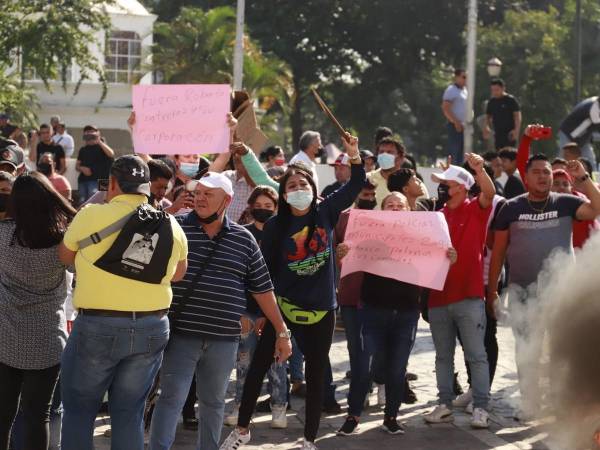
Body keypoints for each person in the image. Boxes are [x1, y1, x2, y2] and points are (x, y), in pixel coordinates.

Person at [220, 133, 365, 450]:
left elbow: (356, 185)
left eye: (304, 186)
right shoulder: (275, 226)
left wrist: (354, 154)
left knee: (315, 375)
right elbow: (264, 274)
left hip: (322, 310)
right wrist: (263, 313)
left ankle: (309, 440)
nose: (299, 191)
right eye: (292, 187)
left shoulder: (326, 212)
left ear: (313, 190)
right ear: (283, 195)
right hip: (282, 309)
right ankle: (242, 431)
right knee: (259, 368)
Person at [149, 172, 291, 450]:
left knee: (214, 404)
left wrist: (282, 331)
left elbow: (263, 289)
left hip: (223, 340)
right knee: (171, 399)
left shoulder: (244, 239)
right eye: (198, 192)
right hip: (181, 335)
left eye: (208, 194)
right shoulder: (175, 228)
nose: (200, 198)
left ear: (226, 200)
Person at [57, 155, 189, 450]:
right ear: (146, 187)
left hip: (97, 326)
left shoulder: (91, 215)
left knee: (79, 411)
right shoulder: (170, 224)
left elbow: (64, 257)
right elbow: (179, 273)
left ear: (113, 183)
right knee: (130, 413)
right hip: (152, 326)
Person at [488, 154, 600, 419]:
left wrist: (583, 178)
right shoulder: (510, 208)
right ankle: (530, 404)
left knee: (563, 350)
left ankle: (564, 404)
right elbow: (499, 251)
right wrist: (491, 290)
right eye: (537, 172)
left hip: (561, 294)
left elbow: (597, 208)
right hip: (522, 292)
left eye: (547, 172)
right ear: (525, 177)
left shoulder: (567, 202)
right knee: (527, 350)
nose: (543, 176)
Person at [337, 192, 457, 436]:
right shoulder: (369, 233)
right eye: (389, 205)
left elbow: (437, 262)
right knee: (363, 367)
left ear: (408, 210)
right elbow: (349, 262)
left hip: (406, 313)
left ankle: (391, 417)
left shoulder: (422, 237)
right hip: (372, 310)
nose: (394, 209)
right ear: (381, 210)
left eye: (399, 206)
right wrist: (342, 255)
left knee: (397, 368)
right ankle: (353, 415)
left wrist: (449, 259)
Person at [0, 172, 76, 450]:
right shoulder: (63, 241)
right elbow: (77, 269)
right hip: (47, 339)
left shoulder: (3, 234)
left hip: (5, 336)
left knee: (2, 413)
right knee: (37, 415)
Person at [423, 154, 495, 429]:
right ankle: (444, 404)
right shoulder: (437, 216)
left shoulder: (476, 208)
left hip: (468, 296)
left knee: (476, 355)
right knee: (443, 356)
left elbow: (489, 192)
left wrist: (478, 169)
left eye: (447, 184)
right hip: (438, 297)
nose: (442, 188)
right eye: (442, 184)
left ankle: (481, 407)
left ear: (462, 187)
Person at [225, 185, 290, 429]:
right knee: (244, 363)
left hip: (275, 311)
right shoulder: (242, 235)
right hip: (246, 311)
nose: (263, 210)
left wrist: (270, 315)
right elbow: (236, 277)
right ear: (250, 207)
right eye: (258, 206)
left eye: (268, 207)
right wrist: (240, 312)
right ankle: (241, 406)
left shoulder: (283, 236)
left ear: (276, 209)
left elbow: (284, 277)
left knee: (277, 362)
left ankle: (279, 407)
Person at [551, 168, 599, 248]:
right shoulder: (541, 206)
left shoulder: (582, 204)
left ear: (571, 189)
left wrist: (584, 176)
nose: (561, 187)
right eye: (556, 184)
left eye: (565, 184)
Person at [76, 125, 115, 203]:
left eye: (92, 132)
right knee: (82, 202)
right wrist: (82, 168)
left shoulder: (103, 147)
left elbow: (111, 154)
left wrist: (99, 141)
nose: (89, 134)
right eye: (87, 132)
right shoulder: (83, 150)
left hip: (102, 180)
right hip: (84, 181)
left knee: (101, 203)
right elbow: (77, 166)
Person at [559, 96, 599, 168]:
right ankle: (558, 176)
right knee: (563, 160)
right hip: (568, 134)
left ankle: (594, 178)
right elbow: (597, 122)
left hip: (582, 138)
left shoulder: (595, 102)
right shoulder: (593, 107)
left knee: (590, 161)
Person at [483, 79, 522, 150]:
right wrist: (486, 127)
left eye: (497, 90)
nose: (495, 92)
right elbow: (488, 116)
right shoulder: (492, 102)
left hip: (510, 133)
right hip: (497, 133)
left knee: (509, 154)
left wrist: (516, 130)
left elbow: (517, 116)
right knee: (499, 154)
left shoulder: (511, 100)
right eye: (493, 90)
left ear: (503, 88)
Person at [367, 137, 406, 208]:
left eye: (389, 152)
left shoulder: (411, 183)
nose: (384, 155)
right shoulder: (366, 179)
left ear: (400, 157)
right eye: (381, 152)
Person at [442, 69, 468, 165]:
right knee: (453, 151)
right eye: (464, 77)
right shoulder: (451, 90)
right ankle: (450, 174)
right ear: (456, 77)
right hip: (455, 125)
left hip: (464, 126)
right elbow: (446, 108)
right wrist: (455, 122)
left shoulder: (465, 90)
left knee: (462, 152)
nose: (466, 79)